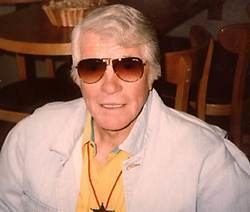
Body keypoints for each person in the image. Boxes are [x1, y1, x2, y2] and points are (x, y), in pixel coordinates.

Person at [0, 4, 250, 212]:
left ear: (152, 73)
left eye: (128, 67)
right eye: (92, 67)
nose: (110, 87)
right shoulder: (30, 137)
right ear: (77, 77)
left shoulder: (207, 161)